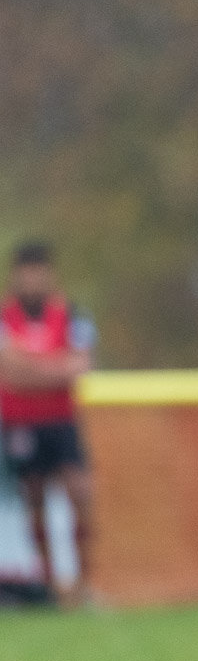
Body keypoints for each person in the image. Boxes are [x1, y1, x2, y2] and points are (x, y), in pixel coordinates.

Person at [0, 241, 96, 603]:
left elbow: (81, 366)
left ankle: (83, 584)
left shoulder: (72, 314)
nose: (32, 278)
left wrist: (30, 367)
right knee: (34, 502)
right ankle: (50, 584)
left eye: (39, 271)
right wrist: (56, 366)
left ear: (49, 274)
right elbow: (9, 374)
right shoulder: (5, 318)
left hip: (62, 422)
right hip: (21, 423)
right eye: (26, 271)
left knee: (81, 493)